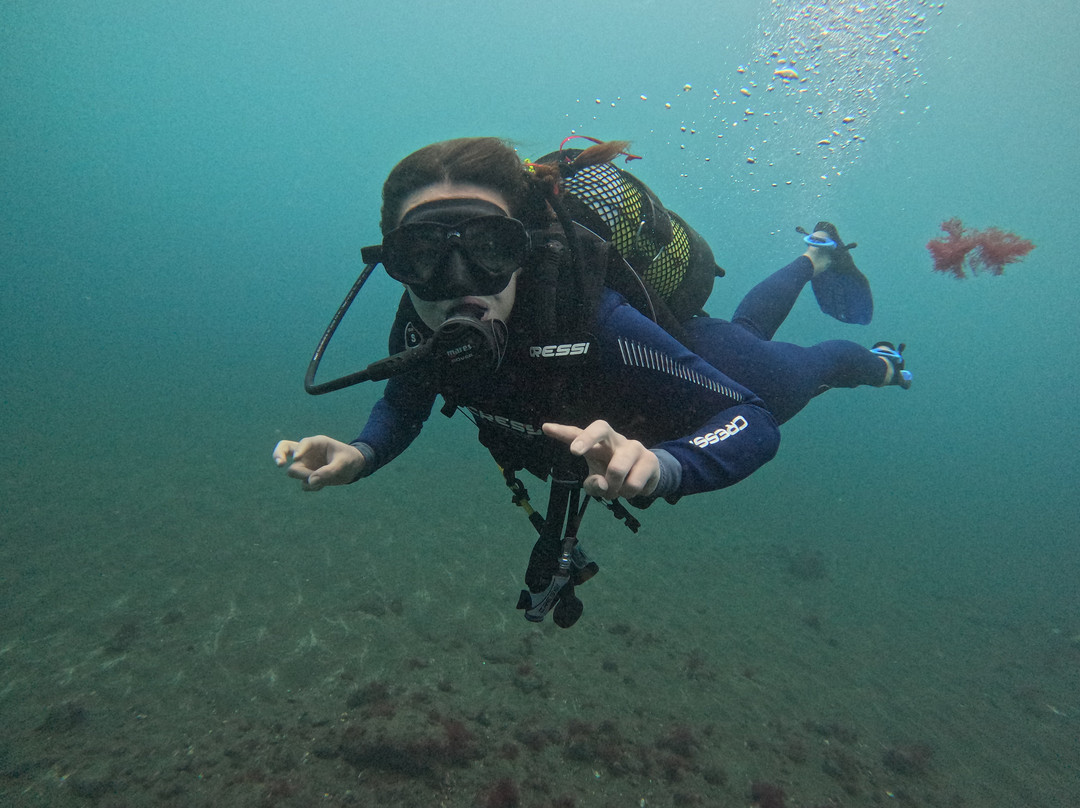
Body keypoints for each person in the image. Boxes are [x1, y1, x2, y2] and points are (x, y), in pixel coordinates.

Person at [273, 137, 910, 625]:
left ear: (523, 246)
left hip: (676, 368)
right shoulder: (420, 322)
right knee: (748, 333)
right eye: (423, 256)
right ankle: (812, 255)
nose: (459, 282)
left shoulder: (594, 319)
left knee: (795, 377)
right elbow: (404, 401)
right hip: (653, 379)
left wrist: (666, 466)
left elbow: (753, 420)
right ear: (394, 260)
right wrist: (361, 453)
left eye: (490, 248)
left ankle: (875, 353)